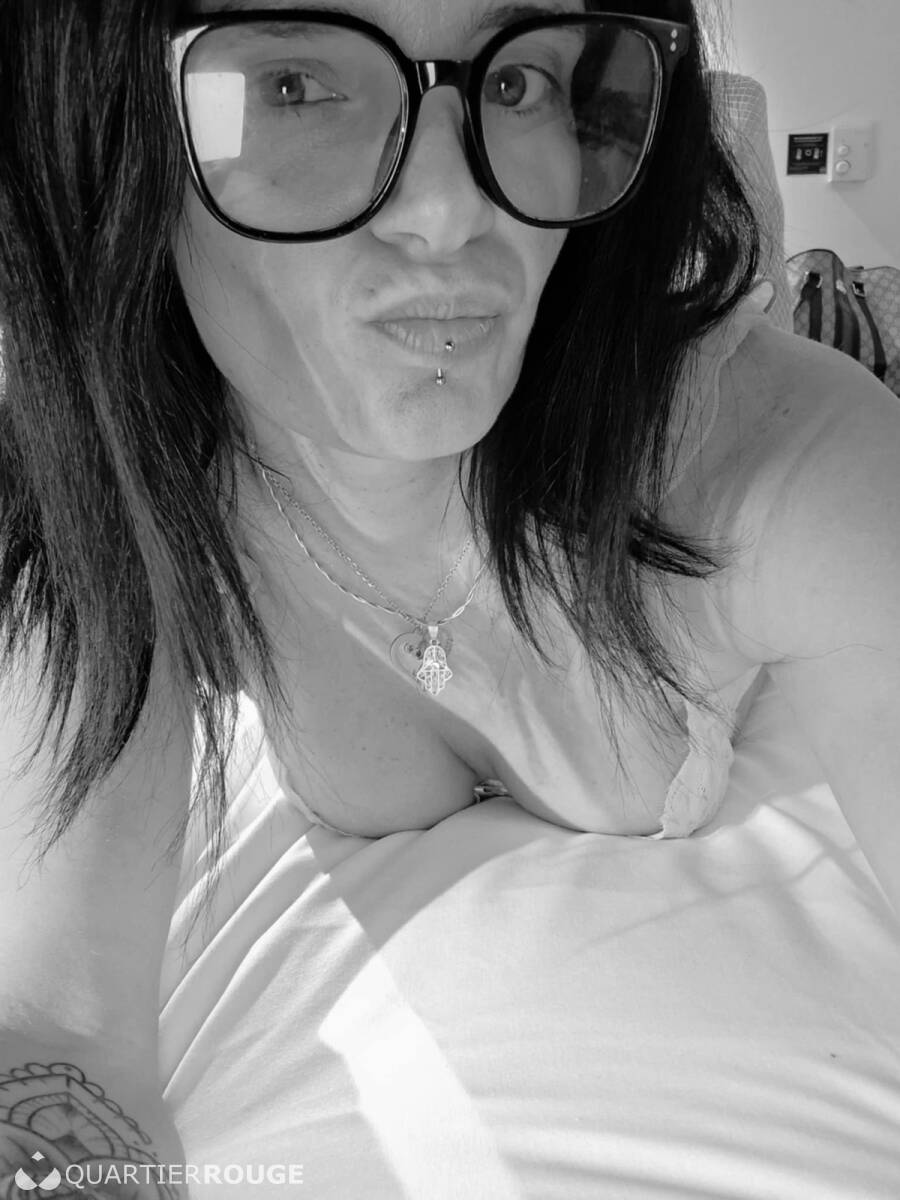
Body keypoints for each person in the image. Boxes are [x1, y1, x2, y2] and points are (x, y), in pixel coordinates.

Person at [1, 0, 898, 1194]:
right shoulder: (135, 497)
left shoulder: (781, 463)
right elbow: (59, 1027)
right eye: (293, 86)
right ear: (113, 141)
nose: (451, 210)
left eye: (517, 82)